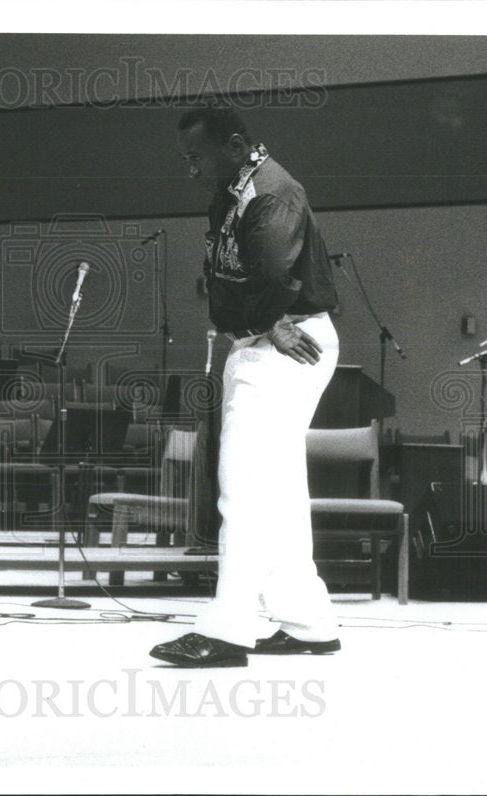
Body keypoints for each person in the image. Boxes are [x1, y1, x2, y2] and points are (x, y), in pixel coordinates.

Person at [150, 106, 341, 667]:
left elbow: (277, 274)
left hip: (282, 341)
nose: (191, 170)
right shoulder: (234, 189)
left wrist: (270, 322)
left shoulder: (271, 192)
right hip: (265, 339)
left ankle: (228, 630)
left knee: (244, 487)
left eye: (197, 158)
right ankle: (308, 620)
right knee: (277, 490)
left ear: (234, 146)